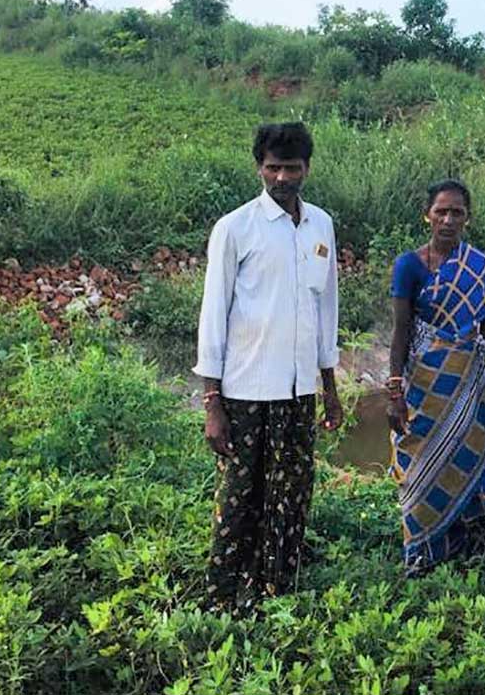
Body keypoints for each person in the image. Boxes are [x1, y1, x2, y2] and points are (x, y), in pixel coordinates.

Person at [194, 121, 343, 613]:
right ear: (259, 167)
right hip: (245, 390)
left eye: (292, 168)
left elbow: (326, 309)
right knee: (239, 496)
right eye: (273, 168)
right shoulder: (235, 228)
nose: (282, 178)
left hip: (299, 392)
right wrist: (213, 403)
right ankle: (220, 596)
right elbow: (214, 314)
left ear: (307, 169)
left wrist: (330, 387)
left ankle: (275, 588)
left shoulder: (321, 226)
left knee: (292, 494)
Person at [385, 179, 485, 584]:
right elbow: (401, 330)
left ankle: (478, 550)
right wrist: (394, 391)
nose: (447, 219)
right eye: (440, 211)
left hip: (469, 384)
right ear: (426, 215)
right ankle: (424, 557)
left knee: (473, 462)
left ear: (467, 217)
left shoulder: (479, 269)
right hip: (425, 385)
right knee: (419, 466)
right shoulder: (408, 266)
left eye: (456, 212)